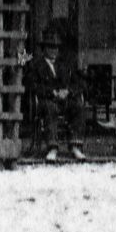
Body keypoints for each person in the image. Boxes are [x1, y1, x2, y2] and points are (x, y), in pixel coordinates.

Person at [22, 25, 88, 160]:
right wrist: (52, 92)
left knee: (78, 106)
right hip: (46, 100)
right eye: (51, 47)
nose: (54, 51)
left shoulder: (64, 65)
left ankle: (75, 146)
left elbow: (80, 83)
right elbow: (33, 85)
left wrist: (68, 91)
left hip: (65, 99)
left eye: (56, 47)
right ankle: (52, 148)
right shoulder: (36, 65)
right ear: (44, 49)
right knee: (50, 108)